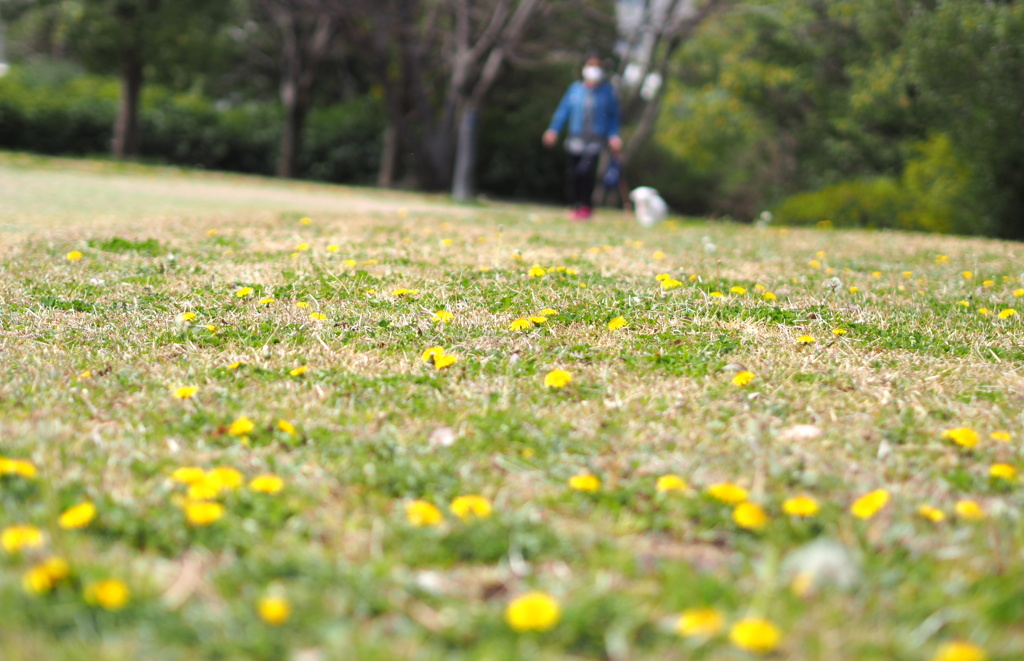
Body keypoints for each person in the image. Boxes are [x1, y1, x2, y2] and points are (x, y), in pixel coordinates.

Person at [542, 55, 622, 221]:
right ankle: (575, 205)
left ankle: (586, 206)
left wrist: (614, 135)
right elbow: (563, 111)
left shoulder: (607, 92)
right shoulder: (575, 89)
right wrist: (553, 130)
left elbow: (613, 115)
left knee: (585, 171)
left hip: (595, 141)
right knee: (574, 174)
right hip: (575, 138)